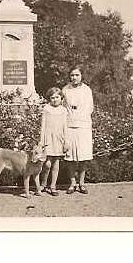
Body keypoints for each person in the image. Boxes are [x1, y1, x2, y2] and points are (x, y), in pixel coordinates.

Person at [62, 66, 94, 194]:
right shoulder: (65, 89)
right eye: (72, 75)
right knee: (70, 156)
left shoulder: (87, 90)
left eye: (77, 75)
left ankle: (82, 183)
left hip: (83, 125)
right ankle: (72, 183)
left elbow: (90, 107)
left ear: (81, 76)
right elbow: (63, 107)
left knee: (83, 156)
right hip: (69, 125)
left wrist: (81, 118)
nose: (74, 77)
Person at [38, 87, 68, 196]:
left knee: (56, 163)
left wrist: (66, 141)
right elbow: (43, 126)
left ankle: (53, 186)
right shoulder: (46, 109)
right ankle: (43, 184)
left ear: (61, 98)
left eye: (57, 97)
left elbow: (65, 126)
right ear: (49, 99)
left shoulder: (63, 110)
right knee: (47, 164)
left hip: (59, 138)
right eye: (52, 98)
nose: (55, 100)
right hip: (48, 138)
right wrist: (41, 141)